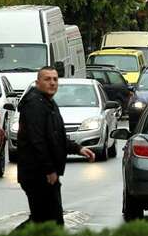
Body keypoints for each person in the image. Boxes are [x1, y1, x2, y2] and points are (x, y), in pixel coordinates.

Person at [17, 66, 95, 226]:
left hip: (44, 173)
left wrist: (78, 148)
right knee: (48, 222)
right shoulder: (35, 105)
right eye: (47, 79)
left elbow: (56, 136)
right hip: (37, 174)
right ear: (38, 82)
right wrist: (49, 170)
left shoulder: (48, 103)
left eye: (55, 79)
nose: (52, 83)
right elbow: (37, 140)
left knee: (45, 220)